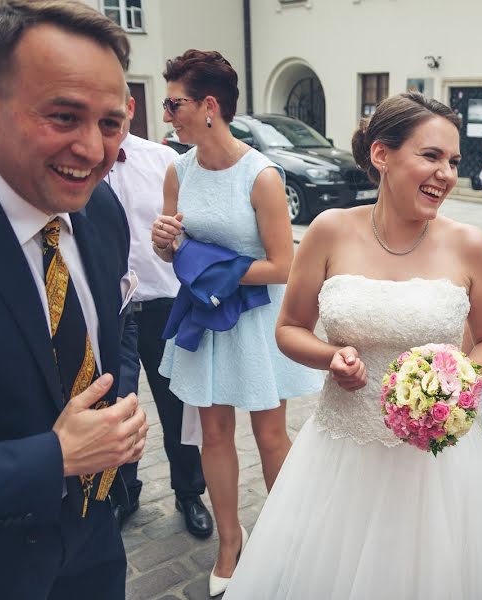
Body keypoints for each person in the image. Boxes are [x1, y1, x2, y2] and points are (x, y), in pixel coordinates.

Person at [222, 91, 482, 599]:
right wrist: (331, 357)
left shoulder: (469, 245)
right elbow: (288, 328)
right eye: (431, 156)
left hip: (439, 464)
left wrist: (456, 379)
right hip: (343, 451)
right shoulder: (330, 231)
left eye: (453, 161)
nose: (445, 173)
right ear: (382, 154)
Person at [0, 1, 149, 598]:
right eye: (64, 117)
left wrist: (118, 412)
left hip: (97, 542)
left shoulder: (101, 210)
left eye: (111, 123)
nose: (93, 152)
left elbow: (118, 324)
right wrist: (54, 458)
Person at [150, 49, 322, 597]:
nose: (167, 114)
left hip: (254, 320)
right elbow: (176, 251)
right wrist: (165, 247)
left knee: (270, 434)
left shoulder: (262, 175)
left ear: (208, 105)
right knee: (214, 433)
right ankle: (231, 539)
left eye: (174, 103)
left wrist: (209, 266)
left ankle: (289, 536)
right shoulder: (177, 170)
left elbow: (282, 264)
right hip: (205, 315)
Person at [106, 90, 213, 537]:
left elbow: (192, 226)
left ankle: (189, 493)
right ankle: (123, 494)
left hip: (164, 303)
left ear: (131, 108)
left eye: (114, 111)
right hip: (111, 310)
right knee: (116, 407)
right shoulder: (79, 161)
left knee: (177, 405)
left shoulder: (165, 160)